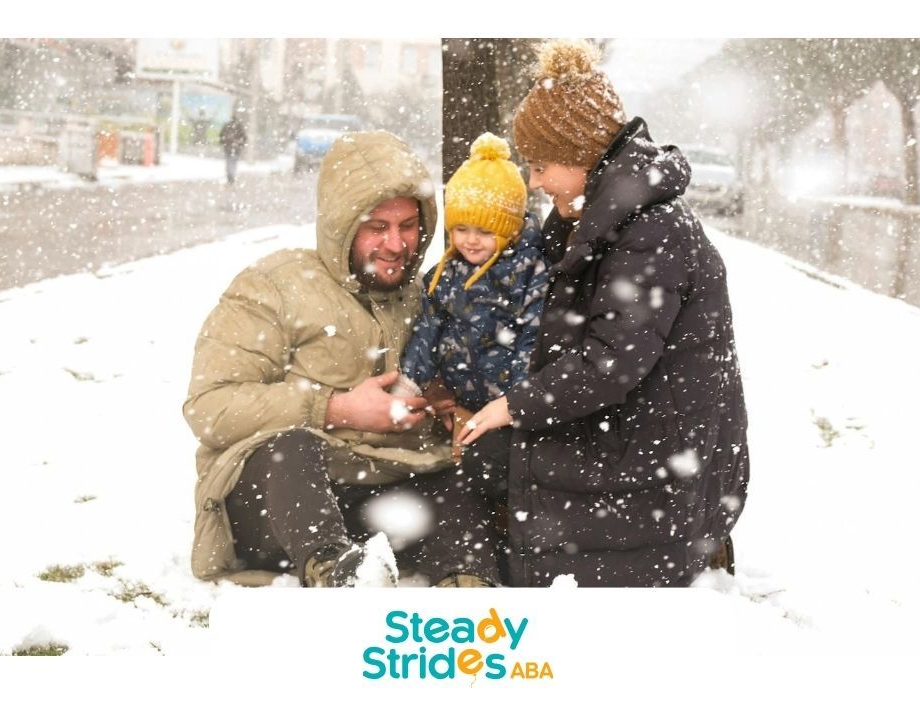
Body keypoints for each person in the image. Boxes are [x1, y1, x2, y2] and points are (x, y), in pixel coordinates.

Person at [458, 39, 751, 587]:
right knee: (481, 461)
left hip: (653, 460)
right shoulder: (608, 215)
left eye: (541, 165)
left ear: (582, 156)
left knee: (486, 461)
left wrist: (512, 406)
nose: (535, 181)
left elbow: (610, 363)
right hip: (643, 438)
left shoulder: (650, 230)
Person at [183, 130, 500, 588]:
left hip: (384, 493)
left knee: (458, 483)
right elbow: (209, 408)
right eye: (377, 228)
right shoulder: (274, 285)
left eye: (408, 226)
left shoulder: (430, 297)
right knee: (290, 449)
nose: (395, 244)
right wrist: (336, 408)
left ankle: (471, 588)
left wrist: (444, 402)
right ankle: (336, 575)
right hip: (277, 505)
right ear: (342, 226)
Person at [392, 132, 549, 564]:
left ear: (511, 227)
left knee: (492, 470)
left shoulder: (530, 272)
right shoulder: (445, 273)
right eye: (461, 228)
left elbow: (530, 340)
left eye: (485, 230)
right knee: (449, 472)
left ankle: (504, 538)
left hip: (506, 408)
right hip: (460, 401)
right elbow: (427, 330)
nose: (471, 241)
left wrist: (510, 402)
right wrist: (410, 383)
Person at [219, 113, 247, 185]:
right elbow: (244, 137)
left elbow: (221, 135)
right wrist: (240, 144)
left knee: (229, 162)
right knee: (234, 162)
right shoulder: (239, 126)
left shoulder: (227, 126)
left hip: (228, 147)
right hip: (236, 148)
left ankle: (230, 176)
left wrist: (223, 142)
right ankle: (232, 175)